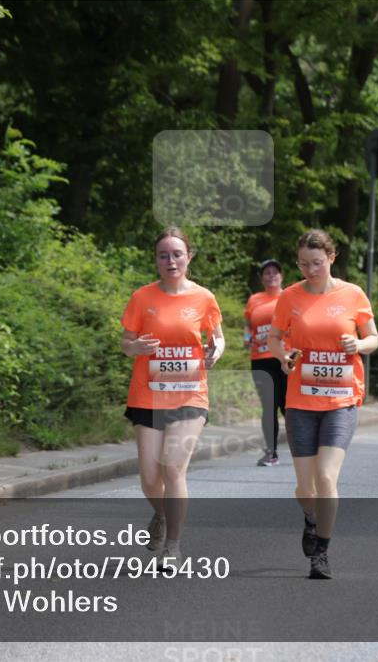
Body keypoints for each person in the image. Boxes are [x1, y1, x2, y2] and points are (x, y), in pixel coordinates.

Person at [267, 229, 378, 579]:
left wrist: (356, 346)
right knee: (305, 488)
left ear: (331, 258)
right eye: (303, 264)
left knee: (327, 477)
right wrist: (285, 356)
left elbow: (373, 338)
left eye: (316, 263)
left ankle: (322, 553)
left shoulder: (352, 294)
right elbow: (274, 339)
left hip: (341, 400)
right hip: (301, 401)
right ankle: (311, 518)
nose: (310, 270)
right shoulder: (289, 297)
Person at [120, 227, 224, 566]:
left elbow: (218, 338)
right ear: (156, 260)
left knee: (172, 469)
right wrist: (134, 347)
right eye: (163, 255)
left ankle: (173, 548)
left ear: (188, 257)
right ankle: (163, 516)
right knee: (150, 478)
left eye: (177, 254)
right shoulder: (142, 298)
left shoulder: (204, 298)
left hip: (189, 395)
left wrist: (216, 351)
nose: (171, 261)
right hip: (147, 395)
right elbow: (125, 342)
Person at [243, 259, 288, 467]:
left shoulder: (289, 297)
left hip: (284, 358)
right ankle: (271, 453)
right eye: (267, 273)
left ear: (281, 277)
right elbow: (247, 324)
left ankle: (303, 449)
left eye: (275, 272)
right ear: (262, 278)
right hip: (260, 360)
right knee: (269, 407)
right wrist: (246, 337)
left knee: (290, 407)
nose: (271, 276)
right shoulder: (254, 300)